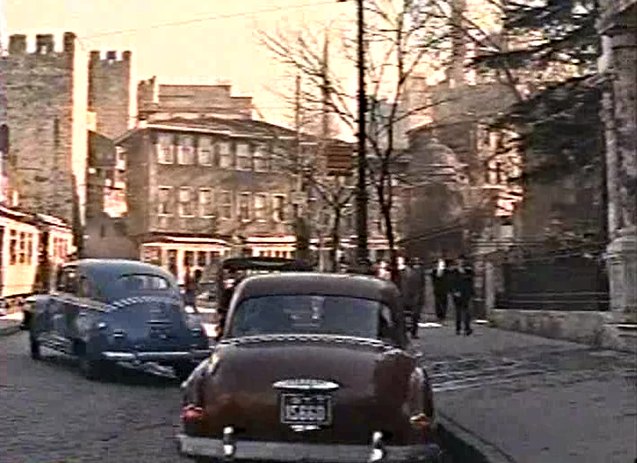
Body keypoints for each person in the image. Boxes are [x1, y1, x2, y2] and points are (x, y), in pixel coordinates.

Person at [449, 255, 474, 336]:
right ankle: (458, 328)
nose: (461, 262)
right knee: (458, 312)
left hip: (466, 293)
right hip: (457, 293)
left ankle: (467, 328)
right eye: (459, 260)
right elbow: (451, 282)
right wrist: (454, 291)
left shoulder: (468, 270)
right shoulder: (454, 271)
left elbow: (471, 279)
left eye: (462, 260)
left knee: (467, 311)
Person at [431, 258, 450, 322]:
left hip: (444, 289)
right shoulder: (434, 272)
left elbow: (447, 280)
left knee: (444, 302)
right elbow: (433, 280)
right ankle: (439, 315)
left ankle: (443, 315)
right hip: (437, 289)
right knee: (438, 303)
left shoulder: (447, 272)